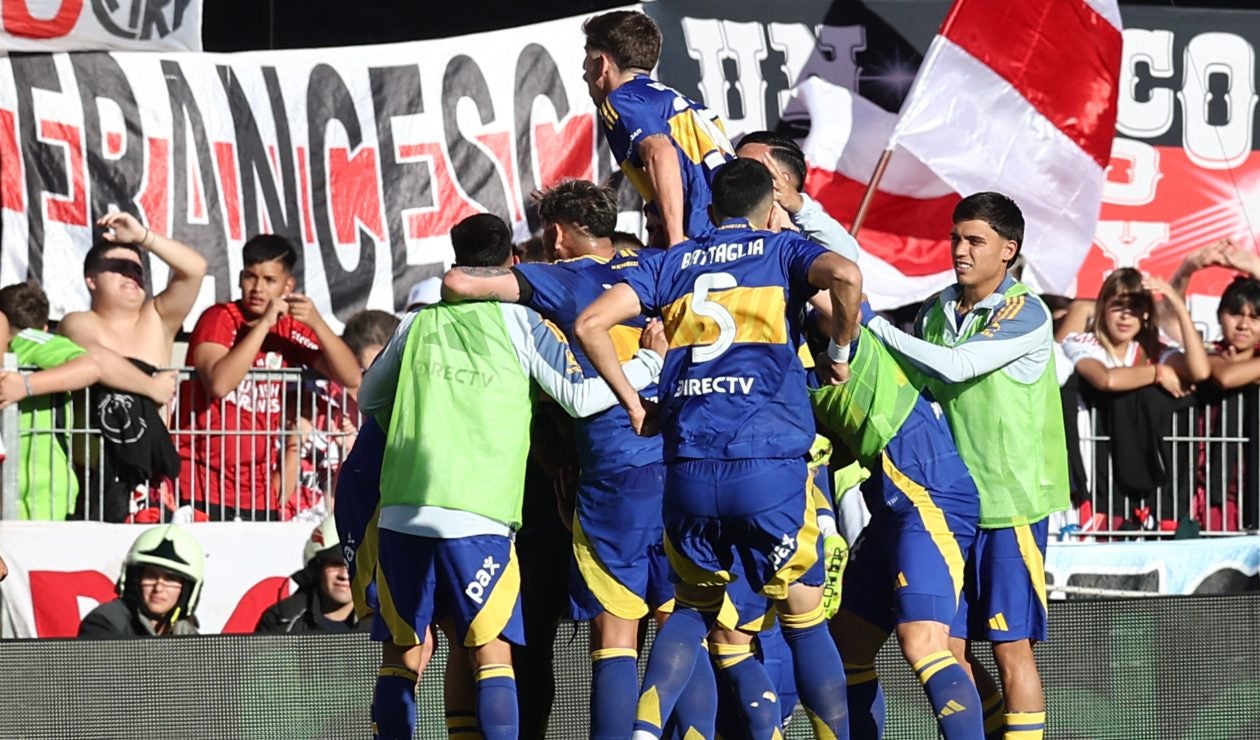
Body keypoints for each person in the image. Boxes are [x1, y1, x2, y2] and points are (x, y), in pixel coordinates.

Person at [575, 158, 860, 739]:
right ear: (768, 211)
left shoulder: (673, 262)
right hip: (768, 462)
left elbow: (589, 325)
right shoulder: (781, 251)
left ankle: (645, 731)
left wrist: (634, 403)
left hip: (689, 466)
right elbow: (848, 275)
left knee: (691, 607)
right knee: (803, 617)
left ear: (710, 212)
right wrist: (840, 353)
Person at [358, 213, 664, 740]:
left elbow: (368, 399)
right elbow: (581, 396)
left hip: (403, 510)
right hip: (480, 512)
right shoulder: (520, 323)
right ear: (513, 265)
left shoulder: (415, 323)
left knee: (402, 658)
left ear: (455, 261)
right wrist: (650, 365)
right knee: (492, 653)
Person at [442, 180, 697, 738]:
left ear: (557, 234)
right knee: (680, 617)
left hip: (612, 475)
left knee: (615, 635)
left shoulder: (562, 277)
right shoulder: (658, 268)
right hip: (682, 464)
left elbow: (460, 284)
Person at [863, 192, 1070, 740]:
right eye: (956, 238)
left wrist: (874, 325)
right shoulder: (936, 309)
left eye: (975, 241)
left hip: (1011, 503)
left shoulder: (1026, 311)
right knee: (947, 647)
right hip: (949, 503)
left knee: (1010, 647)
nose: (960, 250)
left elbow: (955, 367)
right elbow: (924, 385)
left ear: (1009, 250)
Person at [812, 300, 985, 739]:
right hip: (890, 503)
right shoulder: (781, 355)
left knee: (924, 644)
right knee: (843, 649)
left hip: (929, 491)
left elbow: (845, 282)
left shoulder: (833, 323)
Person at [174, 234, 361, 521]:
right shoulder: (220, 317)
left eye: (269, 280)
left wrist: (317, 323)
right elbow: (220, 384)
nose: (258, 288)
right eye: (251, 277)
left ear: (288, 286)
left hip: (257, 488)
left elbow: (350, 378)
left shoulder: (287, 329)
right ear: (239, 278)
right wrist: (264, 325)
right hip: (200, 480)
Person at [58, 213, 204, 521]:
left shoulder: (158, 317)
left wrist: (142, 237)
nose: (131, 274)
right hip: (93, 474)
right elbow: (96, 357)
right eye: (118, 267)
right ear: (91, 279)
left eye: (137, 269)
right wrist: (151, 387)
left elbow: (194, 269)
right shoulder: (77, 322)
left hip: (151, 478)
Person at [1061, 268, 1210, 532]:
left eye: (1135, 306)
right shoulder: (1081, 341)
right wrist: (1158, 372)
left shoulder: (1154, 347)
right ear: (1102, 306)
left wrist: (1177, 303)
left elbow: (1200, 371)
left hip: (1139, 461)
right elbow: (1106, 379)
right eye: (1117, 305)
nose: (1125, 315)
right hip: (1094, 455)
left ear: (1146, 313)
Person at [582, 9, 734, 247]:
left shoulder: (622, 99)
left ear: (601, 64)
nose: (584, 74)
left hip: (704, 237)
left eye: (586, 60)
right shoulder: (682, 103)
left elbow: (659, 152)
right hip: (736, 232)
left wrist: (675, 245)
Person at [0, 282, 101, 520]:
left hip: (41, 491)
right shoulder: (31, 339)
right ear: (46, 326)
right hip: (25, 486)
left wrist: (25, 386)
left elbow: (90, 367)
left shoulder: (29, 340)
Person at [78, 524, 204, 638]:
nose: (158, 588)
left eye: (170, 579)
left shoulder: (185, 633)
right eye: (150, 576)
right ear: (135, 579)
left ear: (187, 590)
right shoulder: (105, 623)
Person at [255, 516, 370, 633]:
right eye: (335, 564)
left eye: (355, 565)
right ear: (316, 569)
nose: (344, 575)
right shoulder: (282, 621)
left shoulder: (385, 622)